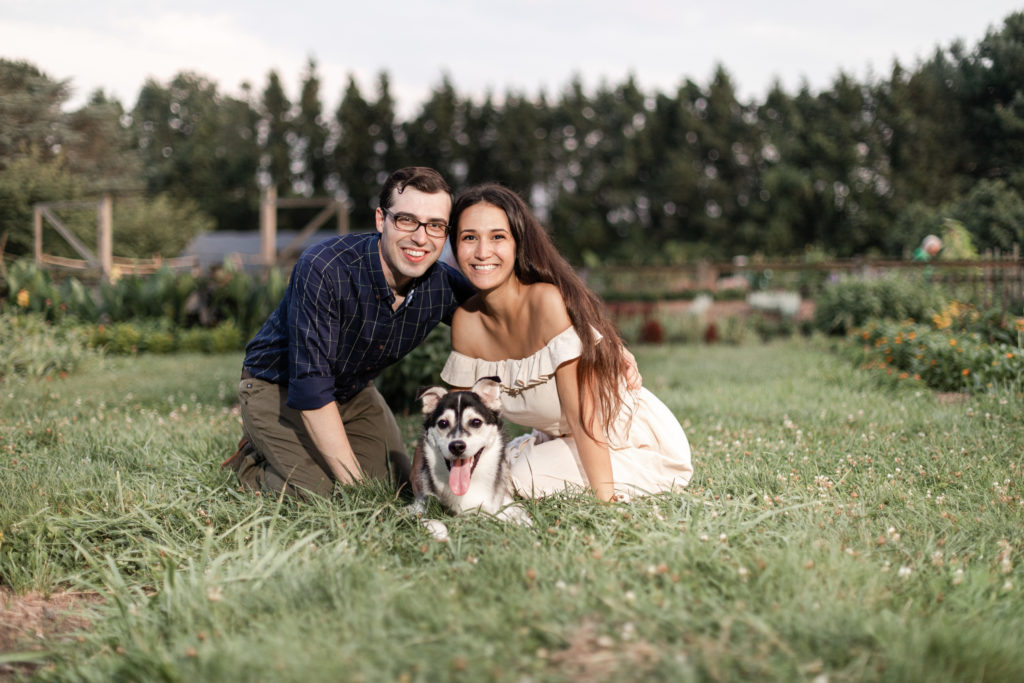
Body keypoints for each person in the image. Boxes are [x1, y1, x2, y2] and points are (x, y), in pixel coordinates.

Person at [223, 167, 475, 498]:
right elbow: (311, 390)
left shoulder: (441, 284)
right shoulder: (325, 268)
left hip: (352, 391)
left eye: (436, 226)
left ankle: (295, 455)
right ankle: (249, 466)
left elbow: (499, 318)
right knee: (328, 494)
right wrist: (358, 490)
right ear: (380, 220)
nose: (421, 237)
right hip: (276, 388)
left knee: (397, 487)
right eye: (406, 221)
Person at [438, 184, 693, 502]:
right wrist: (419, 488)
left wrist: (606, 502)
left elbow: (584, 419)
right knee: (481, 478)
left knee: (518, 479)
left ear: (518, 243)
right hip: (557, 440)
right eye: (469, 237)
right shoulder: (466, 321)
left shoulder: (547, 302)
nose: (482, 252)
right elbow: (451, 418)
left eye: (497, 237)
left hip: (621, 437)